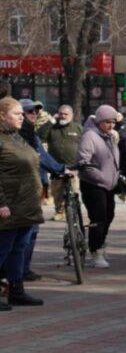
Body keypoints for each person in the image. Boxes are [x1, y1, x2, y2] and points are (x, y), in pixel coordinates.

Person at [0, 97, 46, 307]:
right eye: (17, 114)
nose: (22, 117)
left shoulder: (17, 137)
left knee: (19, 248)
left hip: (26, 204)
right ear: (2, 116)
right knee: (3, 248)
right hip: (9, 205)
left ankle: (16, 290)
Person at [18, 99, 65, 282]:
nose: (33, 114)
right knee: (25, 230)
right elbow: (39, 158)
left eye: (35, 111)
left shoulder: (31, 133)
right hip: (22, 189)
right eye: (29, 111)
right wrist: (60, 169)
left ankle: (22, 269)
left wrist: (60, 169)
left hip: (36, 185)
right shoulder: (17, 135)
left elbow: (43, 157)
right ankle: (16, 273)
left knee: (32, 229)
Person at [76, 105, 121, 269]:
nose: (111, 125)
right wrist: (101, 178)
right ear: (100, 121)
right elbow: (83, 161)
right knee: (99, 218)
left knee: (109, 215)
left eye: (113, 122)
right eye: (107, 122)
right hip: (93, 184)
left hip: (109, 185)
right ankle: (96, 251)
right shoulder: (90, 136)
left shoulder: (109, 136)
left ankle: (100, 243)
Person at [42, 105, 82, 222]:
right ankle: (59, 211)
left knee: (74, 191)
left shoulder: (77, 128)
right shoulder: (52, 127)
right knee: (57, 191)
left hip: (73, 167)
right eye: (60, 113)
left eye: (66, 114)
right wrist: (50, 122)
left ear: (71, 115)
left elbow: (85, 144)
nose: (63, 116)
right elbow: (39, 135)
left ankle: (73, 211)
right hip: (56, 167)